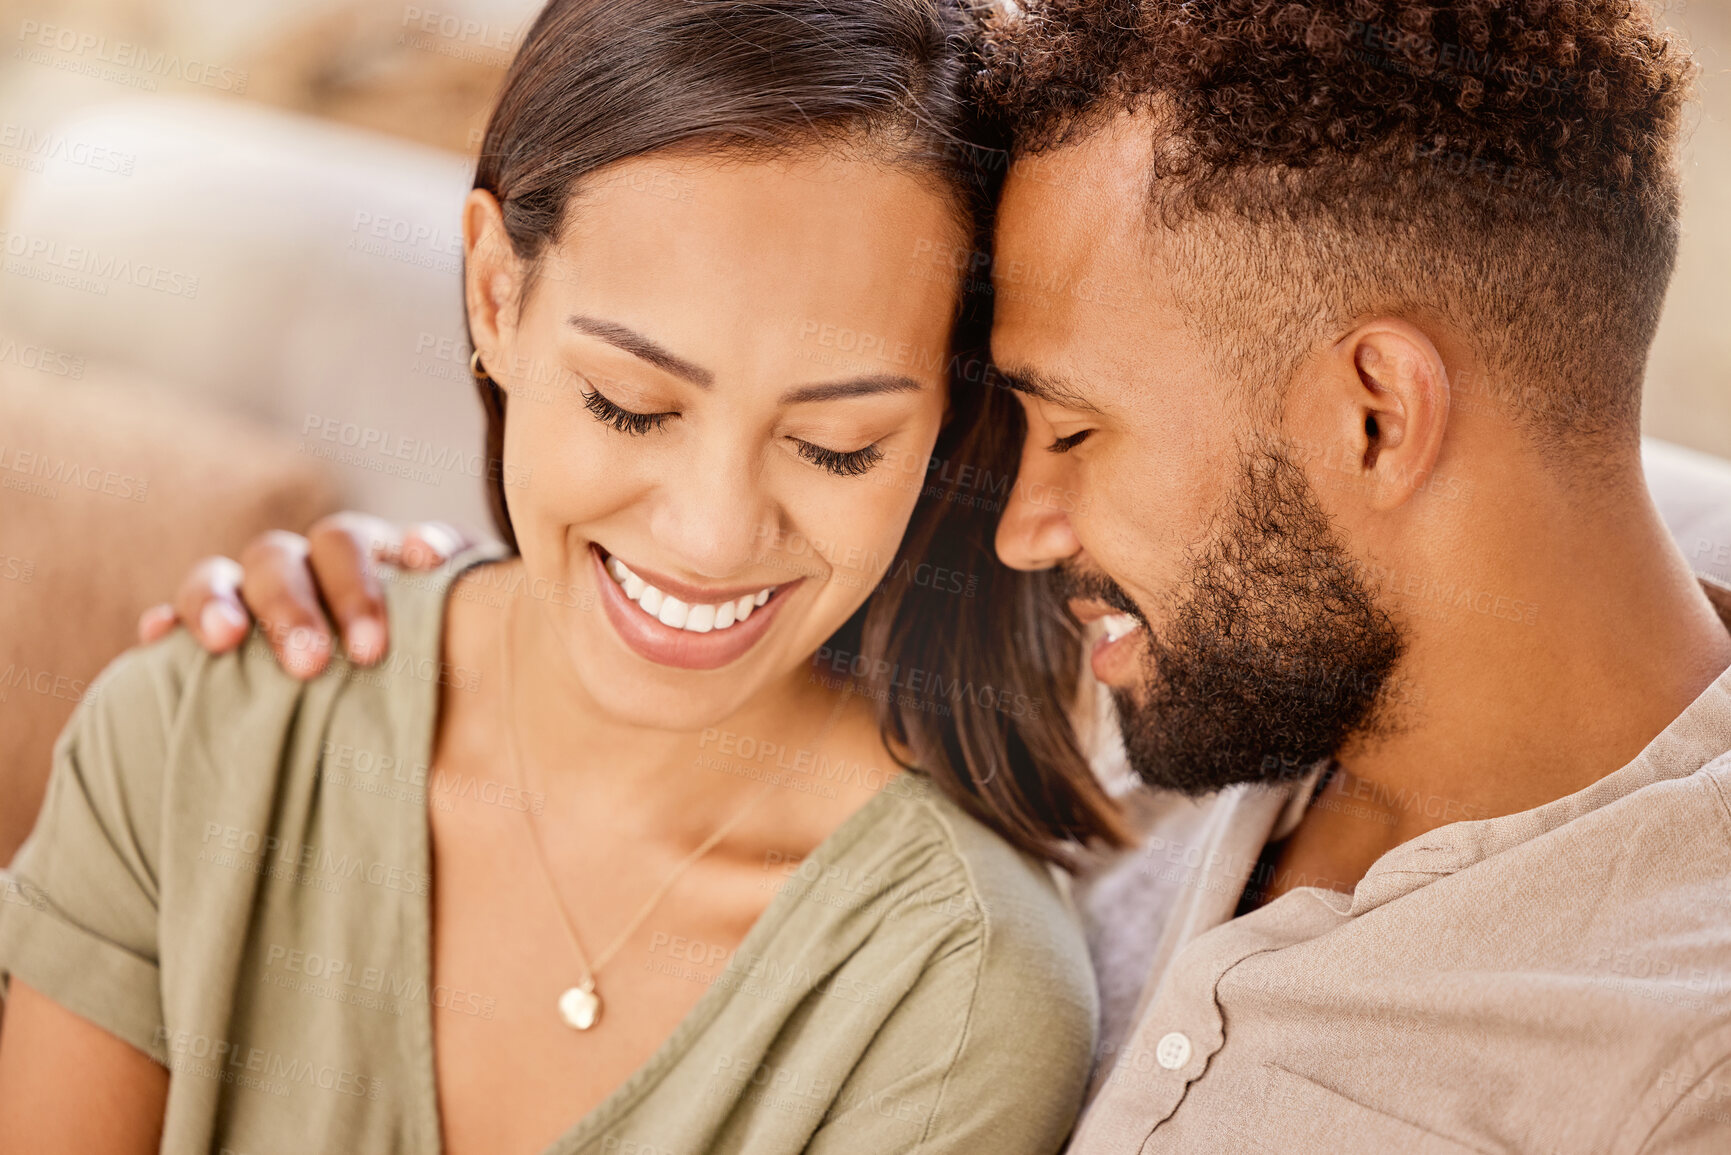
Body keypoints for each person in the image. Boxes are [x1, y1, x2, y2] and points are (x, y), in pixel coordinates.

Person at [165, 0, 1731, 1150]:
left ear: (1372, 416)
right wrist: (438, 605)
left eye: (1065, 425)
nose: (1020, 522)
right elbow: (723, 542)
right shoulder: (1191, 664)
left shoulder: (1674, 1060)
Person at [0, 2, 1132, 1153]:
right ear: (498, 295)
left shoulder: (946, 998)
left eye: (838, 444)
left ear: (943, 427)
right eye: (630, 404)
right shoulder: (201, 734)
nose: (710, 534)